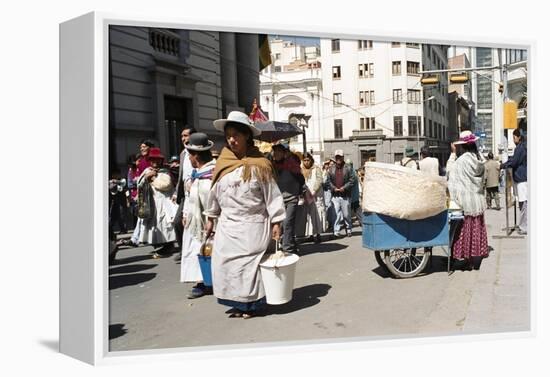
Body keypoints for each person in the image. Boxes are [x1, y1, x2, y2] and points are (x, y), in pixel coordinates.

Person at [204, 111, 286, 319]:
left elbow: (272, 195)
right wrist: (210, 216)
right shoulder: (222, 163)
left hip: (253, 224)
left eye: (236, 135)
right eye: (229, 135)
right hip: (227, 226)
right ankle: (237, 303)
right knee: (226, 264)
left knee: (249, 266)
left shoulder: (260, 164)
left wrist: (277, 220)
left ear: (247, 136)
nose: (232, 140)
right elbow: (215, 192)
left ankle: (252, 305)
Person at [179, 133, 216, 299]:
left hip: (206, 224)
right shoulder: (198, 173)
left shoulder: (209, 175)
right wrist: (186, 212)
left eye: (190, 155)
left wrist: (211, 222)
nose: (189, 159)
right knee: (198, 252)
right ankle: (204, 281)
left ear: (197, 156)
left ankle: (206, 283)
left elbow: (211, 202)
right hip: (195, 223)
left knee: (206, 252)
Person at [447, 130, 489, 270]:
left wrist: (453, 154)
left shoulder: (462, 160)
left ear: (463, 146)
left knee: (464, 232)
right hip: (477, 202)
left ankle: (465, 258)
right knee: (475, 231)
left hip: (466, 203)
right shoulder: (478, 159)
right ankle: (472, 259)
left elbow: (450, 174)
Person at [137, 147, 178, 258]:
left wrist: (153, 178)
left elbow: (165, 185)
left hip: (165, 202)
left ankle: (169, 245)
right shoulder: (147, 171)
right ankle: (161, 243)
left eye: (157, 160)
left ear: (161, 160)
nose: (155, 162)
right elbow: (139, 185)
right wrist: (146, 178)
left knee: (165, 224)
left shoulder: (165, 172)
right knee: (155, 225)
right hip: (152, 202)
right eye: (153, 160)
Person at [272, 142, 305, 252]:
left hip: (291, 199)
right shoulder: (271, 166)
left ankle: (287, 248)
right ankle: (290, 243)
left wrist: (299, 192)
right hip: (278, 200)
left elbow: (301, 180)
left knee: (287, 223)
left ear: (284, 153)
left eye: (278, 151)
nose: (276, 154)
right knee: (279, 224)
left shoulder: (291, 165)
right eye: (274, 151)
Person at [173, 126, 197, 260]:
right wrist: (177, 193)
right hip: (185, 195)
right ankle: (183, 249)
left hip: (198, 191)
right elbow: (182, 176)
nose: (184, 139)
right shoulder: (183, 154)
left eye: (186, 135)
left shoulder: (200, 151)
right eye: (182, 136)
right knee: (177, 222)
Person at [501, 128, 527, 234]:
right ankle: (523, 225)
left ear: (518, 137)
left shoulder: (520, 148)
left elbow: (514, 161)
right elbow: (513, 159)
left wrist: (503, 165)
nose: (513, 139)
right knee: (522, 203)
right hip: (521, 178)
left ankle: (524, 226)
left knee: (523, 203)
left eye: (514, 137)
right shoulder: (521, 147)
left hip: (522, 179)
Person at [327, 150, 356, 237]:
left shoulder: (348, 168)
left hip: (345, 195)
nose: (338, 159)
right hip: (335, 195)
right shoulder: (331, 168)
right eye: (337, 157)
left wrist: (345, 187)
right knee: (335, 214)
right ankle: (336, 231)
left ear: (343, 157)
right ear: (335, 158)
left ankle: (349, 229)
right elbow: (329, 181)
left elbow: (352, 180)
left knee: (347, 214)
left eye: (340, 157)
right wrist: (333, 188)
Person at [301, 153, 323, 243]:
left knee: (316, 215)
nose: (306, 162)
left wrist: (314, 190)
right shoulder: (301, 170)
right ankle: (310, 234)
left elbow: (319, 180)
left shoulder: (316, 168)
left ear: (311, 160)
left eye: (308, 160)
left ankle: (317, 234)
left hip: (315, 195)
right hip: (305, 195)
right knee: (308, 216)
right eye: (304, 160)